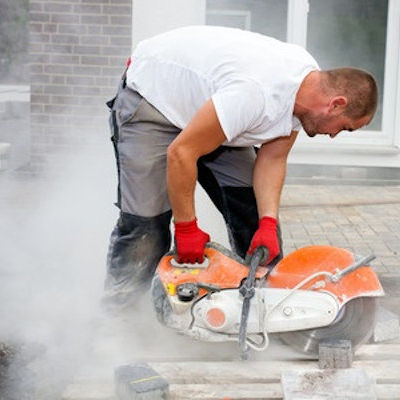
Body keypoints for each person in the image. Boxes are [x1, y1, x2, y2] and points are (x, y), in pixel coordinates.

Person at [103, 25, 378, 308]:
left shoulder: (306, 94)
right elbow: (182, 153)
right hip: (154, 100)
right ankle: (120, 322)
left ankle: (261, 310)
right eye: (343, 128)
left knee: (253, 213)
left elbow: (273, 158)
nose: (334, 135)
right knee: (146, 226)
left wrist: (268, 223)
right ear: (335, 104)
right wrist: (186, 228)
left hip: (217, 111)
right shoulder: (256, 94)